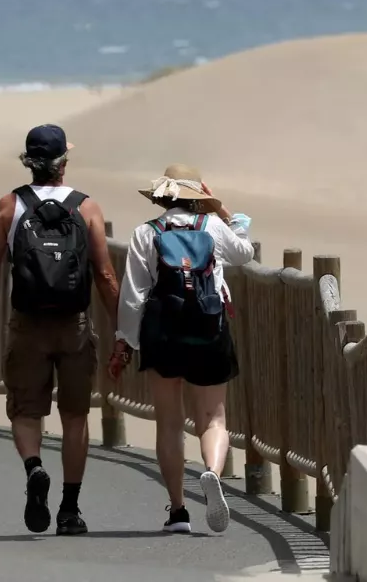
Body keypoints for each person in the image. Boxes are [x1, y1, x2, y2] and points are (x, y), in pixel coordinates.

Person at [0, 123, 121, 536]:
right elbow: (105, 276)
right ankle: (70, 511)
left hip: (28, 324)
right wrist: (124, 330)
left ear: (29, 162)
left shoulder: (9, 206)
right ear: (63, 163)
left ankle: (35, 468)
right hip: (74, 324)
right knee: (75, 416)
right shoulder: (85, 207)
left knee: (24, 409)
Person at [108, 164, 254, 534]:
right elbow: (243, 253)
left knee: (169, 423)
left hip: (163, 333)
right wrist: (224, 214)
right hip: (209, 328)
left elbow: (133, 294)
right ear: (196, 197)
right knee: (214, 418)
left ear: (162, 196)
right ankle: (211, 472)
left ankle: (178, 511)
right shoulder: (213, 228)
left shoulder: (146, 233)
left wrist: (125, 341)